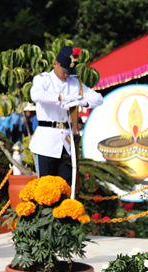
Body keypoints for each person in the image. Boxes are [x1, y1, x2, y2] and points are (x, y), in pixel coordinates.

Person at [29, 46, 103, 185]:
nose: (67, 75)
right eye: (65, 70)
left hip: (67, 143)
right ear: (55, 64)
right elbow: (35, 95)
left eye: (70, 71)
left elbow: (98, 98)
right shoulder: (43, 80)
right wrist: (61, 97)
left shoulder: (75, 83)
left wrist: (82, 102)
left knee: (67, 186)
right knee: (47, 187)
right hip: (47, 142)